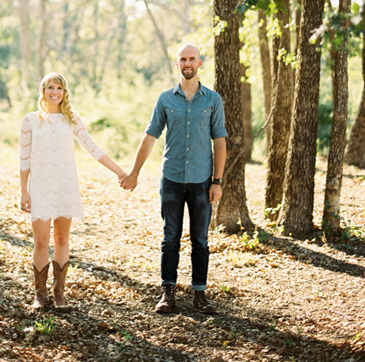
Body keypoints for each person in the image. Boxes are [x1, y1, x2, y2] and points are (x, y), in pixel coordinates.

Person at [120, 43, 227, 314]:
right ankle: (167, 293)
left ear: (199, 63)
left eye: (192, 59)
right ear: (176, 64)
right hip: (172, 179)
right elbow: (150, 136)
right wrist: (134, 172)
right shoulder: (165, 99)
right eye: (183, 59)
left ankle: (199, 294)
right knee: (170, 238)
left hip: (203, 180)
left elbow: (220, 141)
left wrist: (218, 180)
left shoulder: (212, 100)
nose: (187, 63)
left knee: (200, 239)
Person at [20, 72, 126, 312]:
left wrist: (120, 172)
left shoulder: (72, 119)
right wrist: (23, 191)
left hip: (64, 184)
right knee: (40, 241)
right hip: (40, 186)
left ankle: (59, 294)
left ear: (64, 92)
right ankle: (39, 295)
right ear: (43, 91)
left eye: (59, 88)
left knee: (61, 239)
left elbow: (93, 148)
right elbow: (24, 158)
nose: (54, 92)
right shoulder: (30, 120)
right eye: (49, 87)